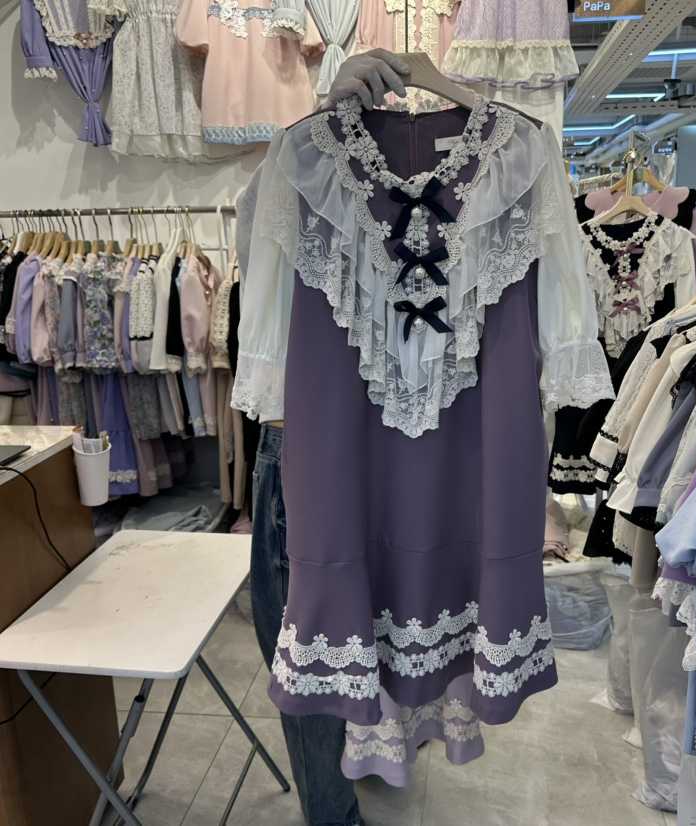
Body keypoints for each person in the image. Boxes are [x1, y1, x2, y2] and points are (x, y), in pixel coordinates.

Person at [246, 48, 411, 826]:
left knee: (377, 628)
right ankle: (337, 803)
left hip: (398, 442)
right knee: (310, 642)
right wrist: (317, 126)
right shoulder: (291, 170)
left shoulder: (457, 185)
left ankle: (365, 768)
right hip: (315, 442)